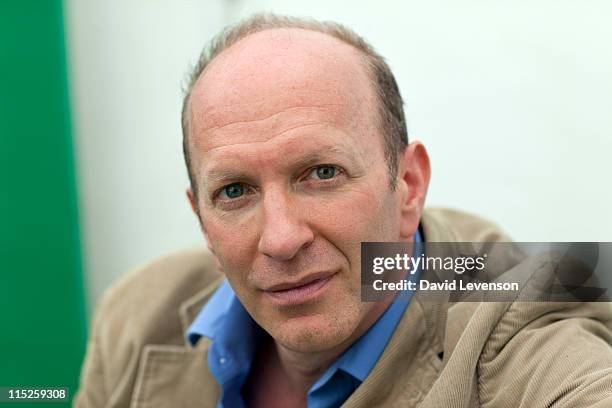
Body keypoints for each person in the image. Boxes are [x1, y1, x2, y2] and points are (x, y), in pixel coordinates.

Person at [74, 14, 612, 408]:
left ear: (407, 185)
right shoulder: (137, 315)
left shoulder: (522, 335)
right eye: (235, 191)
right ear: (201, 220)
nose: (281, 239)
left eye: (322, 174)